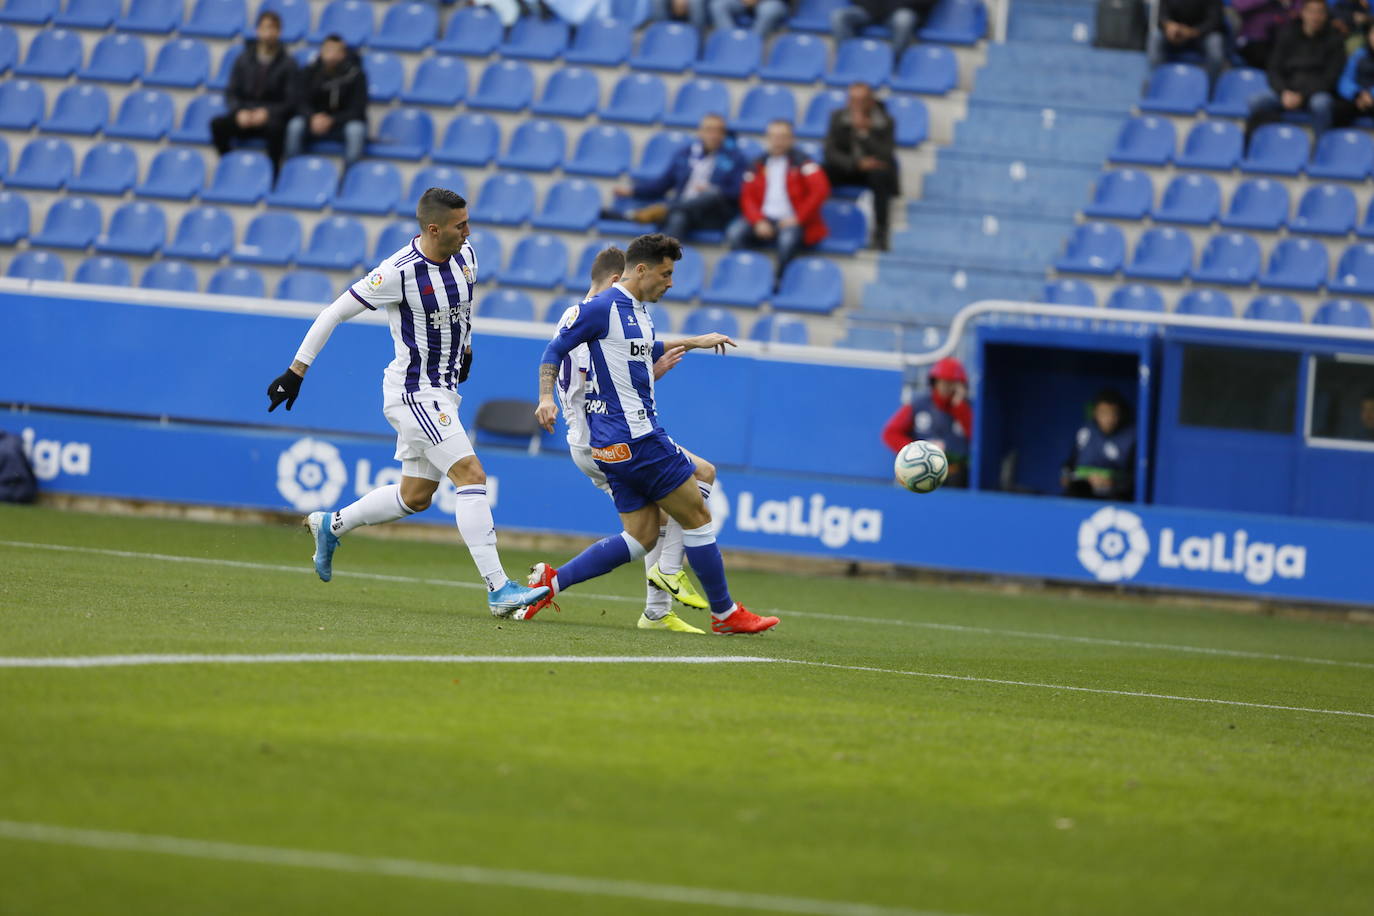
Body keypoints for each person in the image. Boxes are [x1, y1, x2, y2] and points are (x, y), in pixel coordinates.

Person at [263, 188, 549, 618]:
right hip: (414, 393)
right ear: (433, 229)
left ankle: (331, 524)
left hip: (444, 391)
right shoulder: (397, 272)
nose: (468, 231)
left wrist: (465, 349)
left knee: (416, 497)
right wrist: (295, 372)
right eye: (459, 225)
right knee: (471, 475)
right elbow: (332, 314)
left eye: (467, 222)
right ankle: (498, 589)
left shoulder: (467, 255)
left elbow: (464, 309)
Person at [528, 233, 779, 636]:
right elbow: (553, 351)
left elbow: (639, 349)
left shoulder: (638, 311)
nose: (671, 282)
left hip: (613, 443)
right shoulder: (602, 306)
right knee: (698, 509)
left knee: (641, 535)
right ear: (640, 270)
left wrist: (694, 341)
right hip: (637, 436)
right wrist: (545, 396)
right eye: (666, 273)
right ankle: (721, 611)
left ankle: (550, 584)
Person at [554, 246, 719, 634]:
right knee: (697, 481)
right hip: (604, 437)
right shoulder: (597, 316)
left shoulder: (584, 316)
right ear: (617, 280)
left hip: (592, 436)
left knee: (653, 524)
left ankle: (657, 610)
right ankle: (665, 583)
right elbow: (595, 386)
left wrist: (660, 361)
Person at [612, 114, 747, 243]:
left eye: (718, 131)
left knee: (711, 193)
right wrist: (633, 190)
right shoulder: (685, 154)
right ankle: (663, 262)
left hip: (713, 214)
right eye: (709, 130)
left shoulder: (735, 158)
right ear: (700, 132)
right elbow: (662, 184)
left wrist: (714, 189)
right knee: (678, 217)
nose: (713, 135)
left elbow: (738, 191)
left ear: (723, 134)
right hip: (686, 211)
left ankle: (660, 210)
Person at [725, 120, 831, 283]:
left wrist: (797, 218)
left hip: (792, 220)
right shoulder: (757, 165)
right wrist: (758, 220)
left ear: (791, 139)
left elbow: (820, 190)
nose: (778, 141)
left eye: (783, 137)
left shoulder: (804, 163)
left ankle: (780, 280)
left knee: (787, 240)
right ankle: (746, 277)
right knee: (734, 232)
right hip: (763, 219)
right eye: (774, 136)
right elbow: (747, 197)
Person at [210, 9, 298, 179]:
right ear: (257, 30)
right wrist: (239, 112)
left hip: (270, 118)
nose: (268, 32)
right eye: (264, 28)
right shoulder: (243, 59)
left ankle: (274, 175)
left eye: (273, 28)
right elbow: (231, 92)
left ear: (279, 32)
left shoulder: (288, 63)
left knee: (277, 129)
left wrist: (267, 113)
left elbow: (291, 100)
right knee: (217, 124)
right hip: (245, 115)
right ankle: (228, 166)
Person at [1245, 0, 1347, 145]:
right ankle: (1260, 147)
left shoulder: (1335, 40)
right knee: (1255, 101)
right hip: (1287, 91)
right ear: (1303, 13)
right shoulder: (1288, 34)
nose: (1315, 16)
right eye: (1311, 11)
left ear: (1326, 15)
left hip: (1315, 93)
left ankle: (1321, 147)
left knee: (1322, 103)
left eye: (1320, 12)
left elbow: (1330, 78)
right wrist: (1283, 92)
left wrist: (1302, 95)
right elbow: (1273, 68)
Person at [823, 83, 899, 251]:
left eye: (860, 101)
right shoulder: (837, 118)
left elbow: (886, 155)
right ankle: (818, 224)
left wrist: (864, 134)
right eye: (852, 100)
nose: (855, 105)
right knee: (820, 172)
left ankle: (880, 233)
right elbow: (830, 152)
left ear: (870, 102)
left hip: (873, 172)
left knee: (881, 177)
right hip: (848, 168)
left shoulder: (885, 122)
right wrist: (856, 164)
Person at [881, 357, 971, 488]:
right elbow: (890, 433)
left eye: (952, 383)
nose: (946, 387)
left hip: (955, 473)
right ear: (934, 382)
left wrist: (960, 408)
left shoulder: (967, 408)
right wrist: (918, 453)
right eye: (943, 382)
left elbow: (977, 440)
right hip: (920, 469)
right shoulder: (919, 404)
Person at [285, 34, 368, 170]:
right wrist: (312, 117)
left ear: (344, 54)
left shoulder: (356, 75)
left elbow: (358, 109)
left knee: (356, 131)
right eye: (328, 50)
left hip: (342, 124)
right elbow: (299, 101)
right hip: (313, 121)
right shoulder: (309, 72)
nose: (332, 55)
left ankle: (349, 178)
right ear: (321, 52)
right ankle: (293, 172)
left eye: (337, 51)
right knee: (294, 126)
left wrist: (332, 120)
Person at [1062, 389, 1136, 501]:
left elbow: (1133, 477)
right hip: (1083, 491)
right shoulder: (1086, 431)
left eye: (1113, 413)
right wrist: (1068, 477)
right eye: (1103, 413)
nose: (1108, 419)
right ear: (1095, 413)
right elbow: (1069, 466)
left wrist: (1111, 482)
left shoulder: (1131, 437)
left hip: (1114, 496)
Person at [1148, 0, 1228, 87]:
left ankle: (1211, 88)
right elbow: (1162, 16)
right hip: (1176, 34)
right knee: (1155, 36)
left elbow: (1215, 21)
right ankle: (1156, 83)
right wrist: (1168, 26)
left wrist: (1192, 32)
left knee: (1215, 43)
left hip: (1202, 35)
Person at [831, 0, 935, 60]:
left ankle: (893, 64)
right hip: (869, 10)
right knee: (839, 16)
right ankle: (848, 60)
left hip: (900, 11)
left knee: (904, 19)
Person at [1231, 0, 1298, 69]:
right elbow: (1239, 5)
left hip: (1281, 38)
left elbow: (1299, 9)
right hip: (1253, 40)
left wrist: (1293, 8)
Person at [1335, 23, 1374, 124]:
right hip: (1357, 98)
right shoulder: (1359, 55)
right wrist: (1358, 94)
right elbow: (1345, 79)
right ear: (1368, 35)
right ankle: (1339, 138)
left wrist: (1371, 95)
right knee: (1340, 108)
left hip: (1371, 97)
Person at [708, 0, 789, 37]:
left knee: (767, 10)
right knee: (719, 4)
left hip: (772, 3)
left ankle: (751, 45)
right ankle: (730, 41)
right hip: (743, 3)